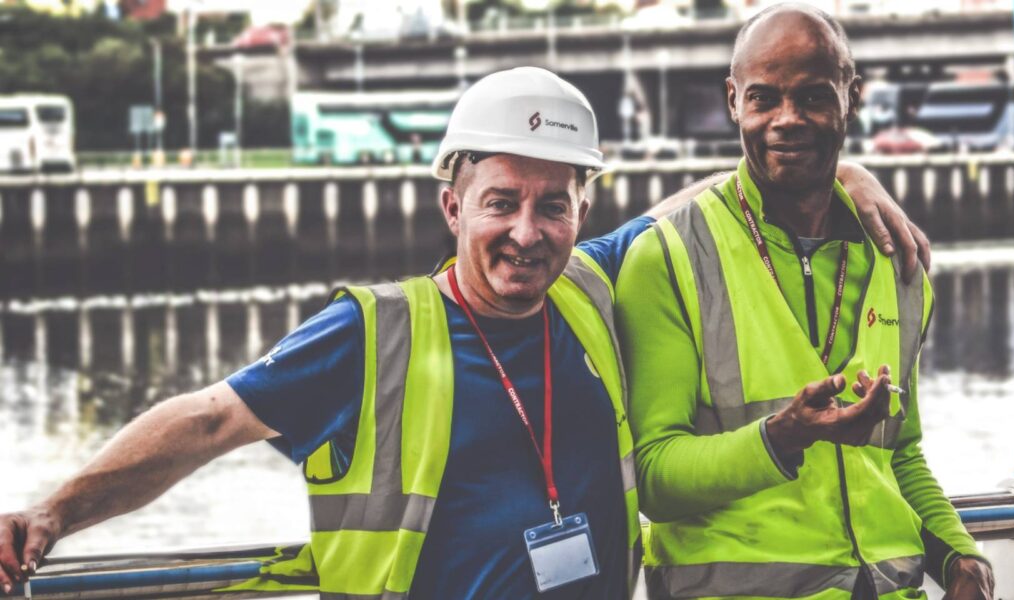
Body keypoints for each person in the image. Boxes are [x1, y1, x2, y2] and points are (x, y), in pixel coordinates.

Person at [0, 68, 925, 598]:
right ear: (452, 205)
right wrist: (53, 513)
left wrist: (847, 179)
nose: (526, 232)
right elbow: (205, 421)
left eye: (551, 205)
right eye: (500, 203)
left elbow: (711, 200)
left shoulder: (591, 288)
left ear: (580, 211)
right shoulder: (376, 333)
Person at [615, 5, 995, 600]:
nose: (787, 120)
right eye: (764, 98)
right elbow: (653, 477)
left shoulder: (897, 263)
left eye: (814, 97)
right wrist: (782, 437)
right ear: (733, 101)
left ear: (853, 98)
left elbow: (901, 453)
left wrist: (960, 556)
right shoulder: (666, 258)